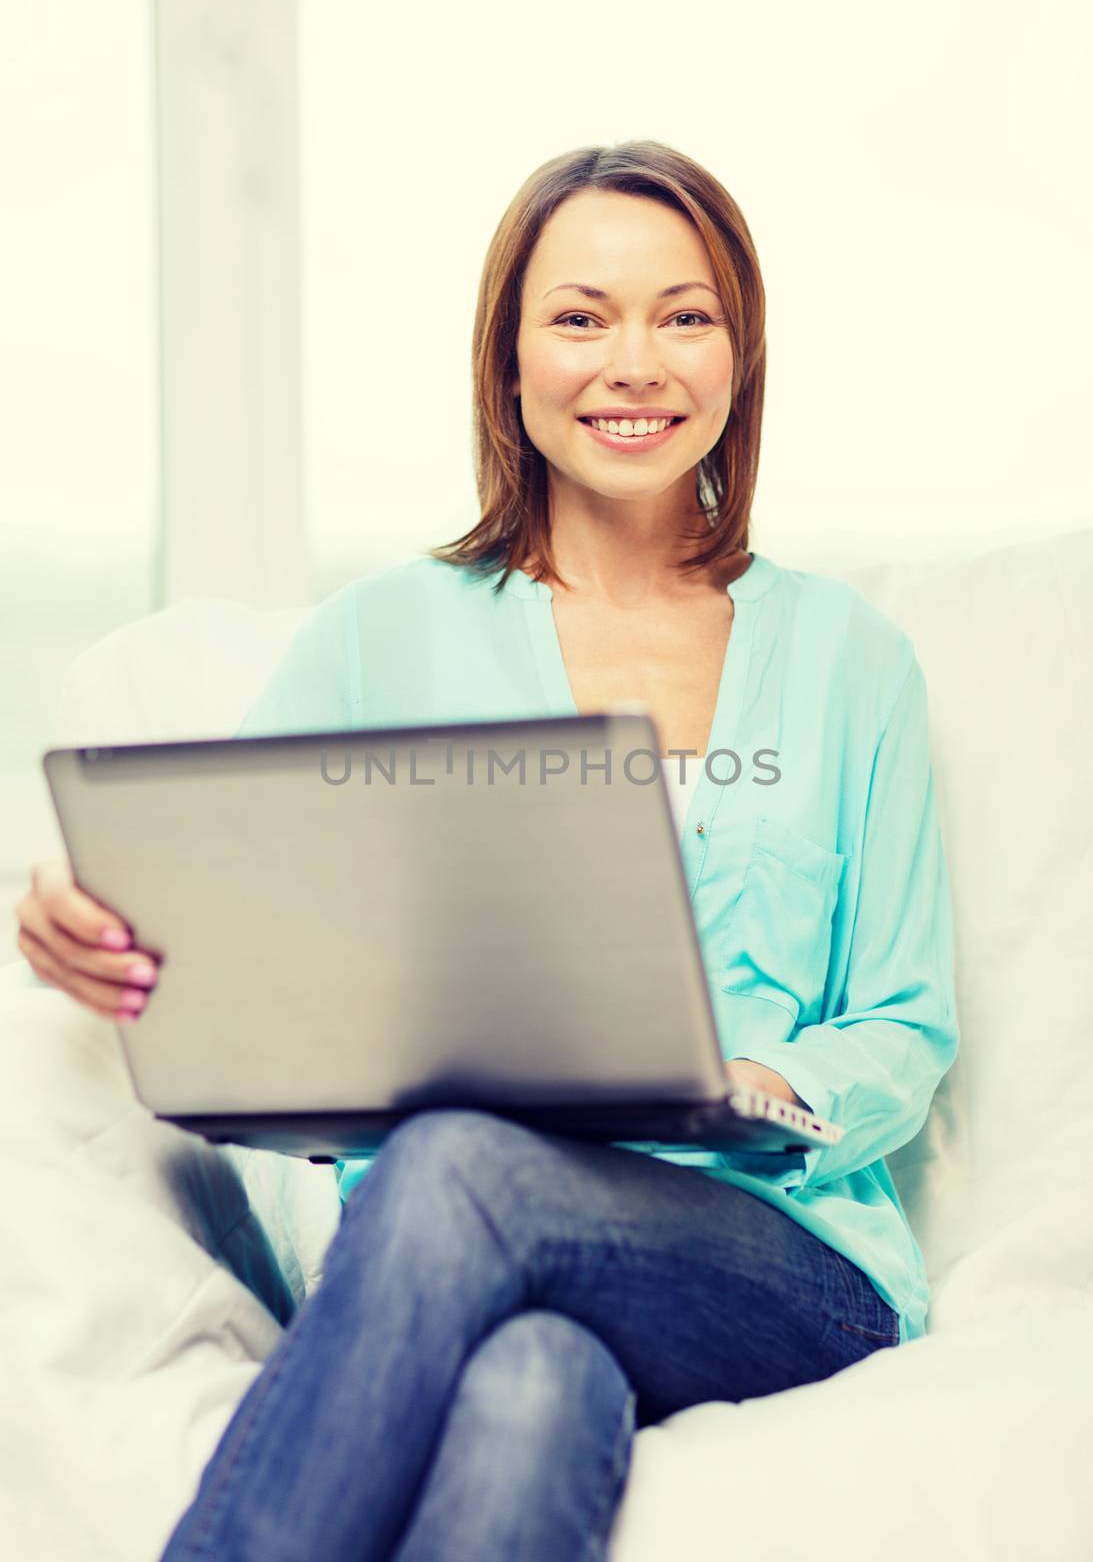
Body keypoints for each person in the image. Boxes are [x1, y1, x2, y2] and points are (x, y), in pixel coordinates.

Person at [14, 140, 959, 1562]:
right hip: (450, 1252)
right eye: (579, 317)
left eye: (683, 316)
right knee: (529, 1389)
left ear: (739, 355)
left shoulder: (849, 663)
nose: (633, 362)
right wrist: (85, 915)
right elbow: (229, 917)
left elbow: (902, 1019)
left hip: (771, 1263)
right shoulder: (377, 638)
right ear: (507, 364)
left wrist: (771, 1081)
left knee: (459, 1164)